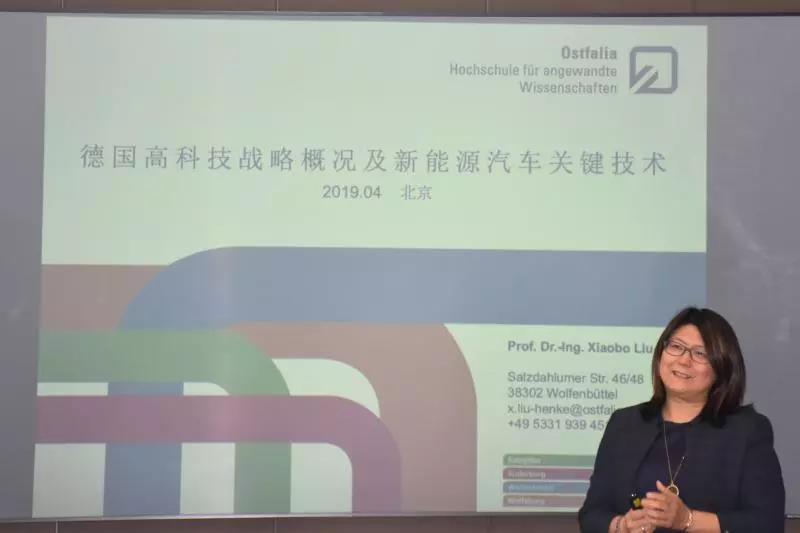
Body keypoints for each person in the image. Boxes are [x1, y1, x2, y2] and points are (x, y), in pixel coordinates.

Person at [578, 307, 784, 532]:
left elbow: (767, 522)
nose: (684, 360)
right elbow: (592, 514)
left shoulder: (747, 431)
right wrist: (622, 526)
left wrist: (688, 520)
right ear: (661, 353)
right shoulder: (624, 424)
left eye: (700, 353)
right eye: (676, 347)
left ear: (722, 367)